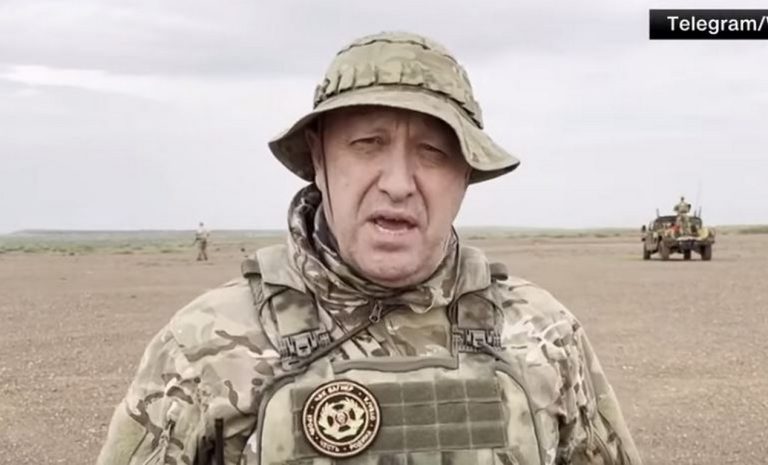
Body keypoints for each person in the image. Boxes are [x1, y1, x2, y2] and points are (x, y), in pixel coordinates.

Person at [97, 32, 642, 465]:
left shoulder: (545, 335)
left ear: (466, 174)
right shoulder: (203, 347)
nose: (399, 184)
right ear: (319, 157)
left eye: (433, 152)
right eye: (367, 144)